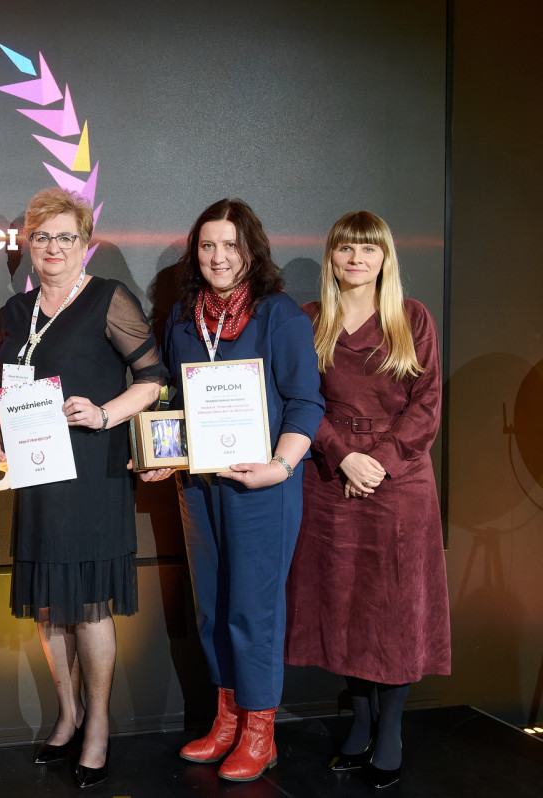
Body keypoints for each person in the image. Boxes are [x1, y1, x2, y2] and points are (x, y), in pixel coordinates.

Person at [0, 187, 167, 789]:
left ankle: (99, 727)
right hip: (37, 477)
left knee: (87, 606)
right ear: (28, 245)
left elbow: (153, 380)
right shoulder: (14, 313)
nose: (53, 247)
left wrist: (105, 414)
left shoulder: (109, 299)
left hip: (92, 472)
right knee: (48, 606)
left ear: (84, 244)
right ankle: (67, 716)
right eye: (42, 237)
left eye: (66, 237)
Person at [138, 198, 323, 781]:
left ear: (251, 251)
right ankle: (226, 721)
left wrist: (281, 466)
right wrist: (164, 453)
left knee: (253, 609)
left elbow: (306, 402)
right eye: (207, 245)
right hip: (199, 485)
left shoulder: (279, 315)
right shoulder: (183, 315)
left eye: (230, 246)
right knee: (212, 605)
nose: (218, 257)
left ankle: (260, 731)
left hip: (260, 487)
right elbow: (173, 394)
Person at [284, 211, 450, 789]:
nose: (356, 259)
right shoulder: (309, 320)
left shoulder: (412, 317)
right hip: (331, 480)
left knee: (393, 608)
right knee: (345, 603)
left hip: (398, 483)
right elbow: (298, 398)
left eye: (368, 249)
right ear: (331, 256)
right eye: (346, 249)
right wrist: (342, 456)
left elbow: (426, 405)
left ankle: (391, 730)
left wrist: (376, 463)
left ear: (385, 257)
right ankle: (359, 723)